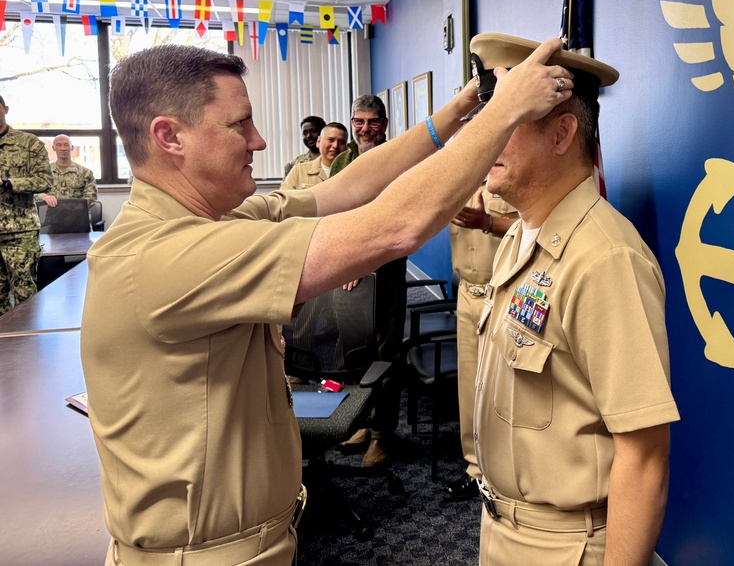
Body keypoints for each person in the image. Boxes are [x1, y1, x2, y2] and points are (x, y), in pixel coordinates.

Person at [80, 42, 574, 565]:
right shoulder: (164, 256)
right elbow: (395, 225)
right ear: (169, 136)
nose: (259, 140)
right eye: (238, 125)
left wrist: (462, 107)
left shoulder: (217, 220)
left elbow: (355, 185)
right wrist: (504, 112)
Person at [469, 34, 679, 566]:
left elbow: (645, 455)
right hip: (504, 530)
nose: (484, 135)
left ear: (562, 133)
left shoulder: (605, 259)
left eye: (507, 116)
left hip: (565, 547)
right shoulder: (519, 237)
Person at [327, 94, 407, 468]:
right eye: (358, 122)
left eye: (372, 122)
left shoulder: (398, 159)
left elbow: (395, 219)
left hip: (385, 270)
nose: (364, 129)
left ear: (385, 123)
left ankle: (382, 436)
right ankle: (363, 422)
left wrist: (365, 261)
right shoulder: (343, 161)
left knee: (385, 355)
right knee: (355, 353)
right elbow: (335, 215)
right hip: (350, 275)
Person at [442, 183, 518, 501]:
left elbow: (534, 224)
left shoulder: (511, 174)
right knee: (469, 388)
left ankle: (508, 474)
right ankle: (475, 471)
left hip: (502, 293)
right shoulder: (455, 178)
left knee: (507, 388)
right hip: (466, 294)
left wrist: (486, 222)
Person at [0, 93, 53, 315]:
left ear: (5, 109)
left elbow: (45, 180)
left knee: (24, 296)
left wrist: (9, 183)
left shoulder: (28, 143)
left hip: (19, 232)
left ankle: (28, 347)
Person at [280, 122, 348, 190]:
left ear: (346, 147)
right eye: (331, 140)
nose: (335, 146)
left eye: (341, 142)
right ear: (318, 141)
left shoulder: (351, 170)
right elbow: (283, 199)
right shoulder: (299, 171)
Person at [37, 134, 98, 208]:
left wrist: (72, 210)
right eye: (59, 145)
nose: (63, 148)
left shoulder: (85, 173)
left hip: (78, 215)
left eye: (66, 145)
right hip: (53, 215)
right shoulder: (44, 171)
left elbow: (91, 197)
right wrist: (44, 196)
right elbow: (33, 193)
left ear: (72, 147)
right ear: (53, 148)